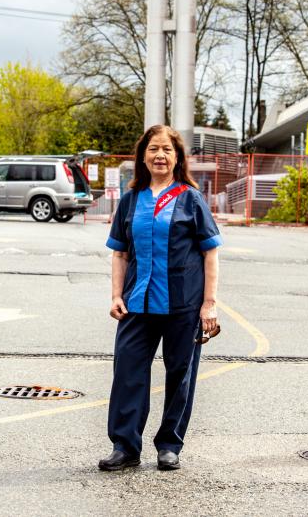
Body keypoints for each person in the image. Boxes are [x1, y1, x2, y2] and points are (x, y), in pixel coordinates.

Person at [98, 125, 222, 472]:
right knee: (128, 371)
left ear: (177, 157)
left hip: (183, 303)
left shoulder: (190, 199)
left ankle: (169, 444)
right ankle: (125, 446)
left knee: (180, 374)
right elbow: (120, 254)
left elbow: (211, 254)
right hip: (137, 302)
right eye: (153, 149)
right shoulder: (130, 200)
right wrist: (115, 295)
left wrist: (209, 304)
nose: (160, 156)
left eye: (167, 149)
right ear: (143, 156)